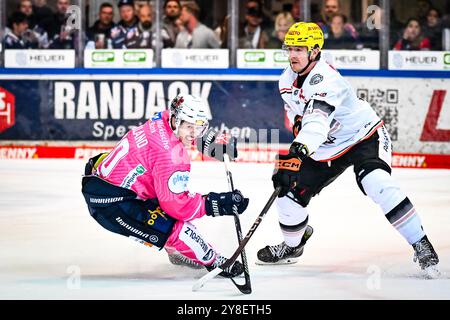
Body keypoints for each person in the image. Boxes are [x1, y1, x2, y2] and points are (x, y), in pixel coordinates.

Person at [256, 22, 440, 279]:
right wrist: (297, 142)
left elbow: (317, 122)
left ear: (315, 51)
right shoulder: (286, 79)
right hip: (326, 147)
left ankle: (421, 243)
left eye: (299, 49)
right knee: (286, 193)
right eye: (290, 49)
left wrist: (296, 151)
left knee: (376, 182)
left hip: (362, 136)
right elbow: (296, 116)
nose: (292, 55)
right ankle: (293, 244)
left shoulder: (327, 79)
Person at [81, 94, 249, 278]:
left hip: (105, 179)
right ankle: (213, 261)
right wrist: (215, 203)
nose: (194, 133)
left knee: (164, 198)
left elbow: (179, 133)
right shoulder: (172, 157)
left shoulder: (161, 118)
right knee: (179, 230)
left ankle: (176, 251)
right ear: (176, 120)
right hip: (112, 203)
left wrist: (210, 142)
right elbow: (179, 207)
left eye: (199, 127)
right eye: (188, 126)